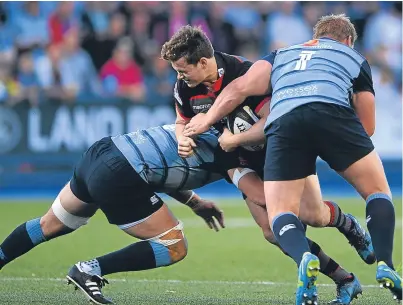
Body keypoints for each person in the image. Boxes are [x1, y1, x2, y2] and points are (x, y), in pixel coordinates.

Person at [183, 14, 402, 304]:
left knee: (280, 214)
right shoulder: (353, 57)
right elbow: (368, 126)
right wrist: (341, 142)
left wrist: (206, 120)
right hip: (331, 115)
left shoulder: (281, 54)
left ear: (314, 36)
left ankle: (304, 258)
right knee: (377, 192)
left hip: (284, 125)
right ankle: (385, 263)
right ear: (348, 41)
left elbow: (238, 89)